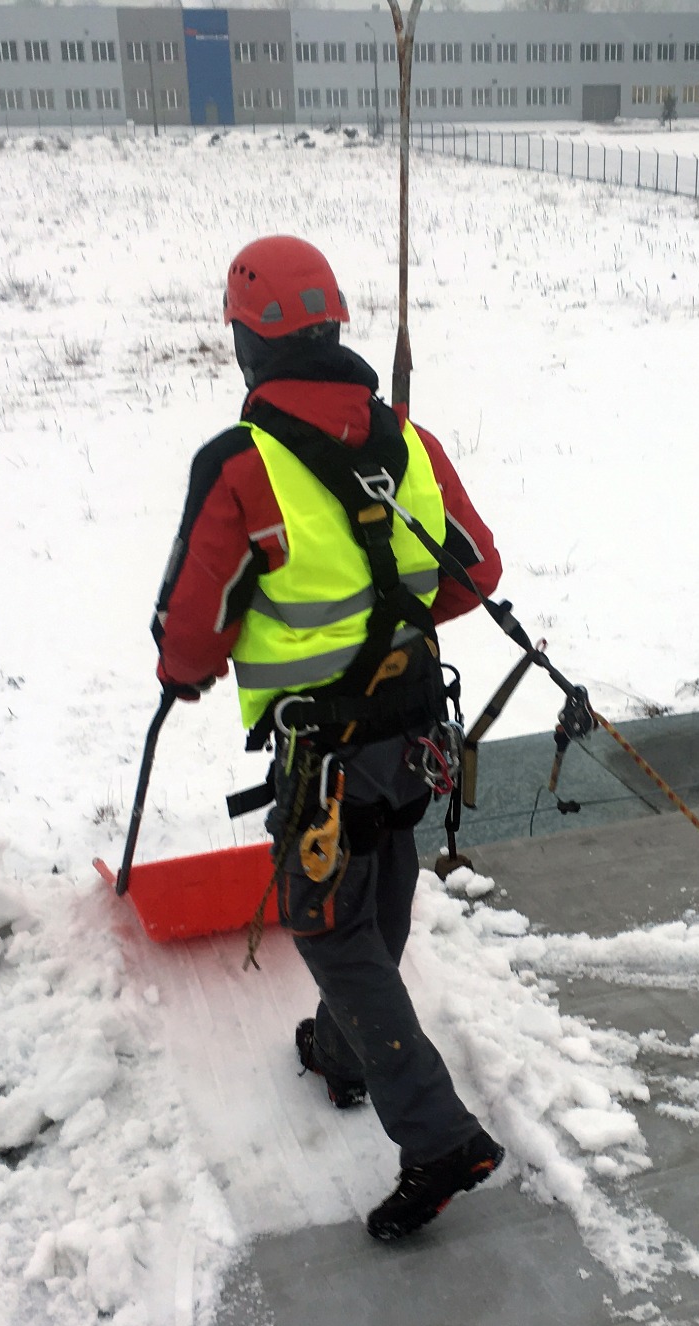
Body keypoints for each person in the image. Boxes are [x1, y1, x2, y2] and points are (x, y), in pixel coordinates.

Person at [150, 235, 507, 1243]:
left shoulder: (239, 466)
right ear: (332, 329)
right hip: (414, 738)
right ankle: (345, 1058)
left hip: (325, 759)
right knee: (378, 892)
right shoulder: (410, 444)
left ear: (245, 347)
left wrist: (184, 673)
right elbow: (473, 569)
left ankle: (436, 1137)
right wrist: (386, 616)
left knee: (330, 928)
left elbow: (192, 628)